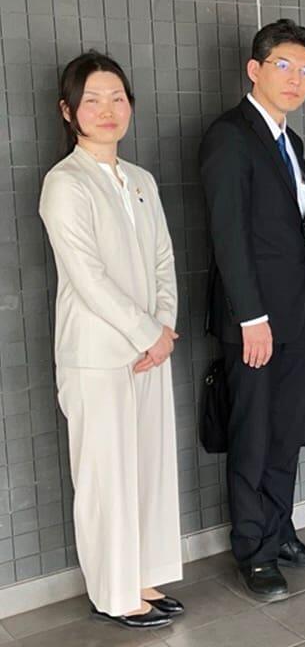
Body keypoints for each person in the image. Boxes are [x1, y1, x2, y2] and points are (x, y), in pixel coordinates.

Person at [39, 51, 184, 629]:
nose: (107, 110)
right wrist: (149, 333)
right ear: (68, 110)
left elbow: (164, 260)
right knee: (106, 479)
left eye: (117, 98)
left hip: (151, 351)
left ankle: (142, 575)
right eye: (93, 100)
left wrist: (163, 328)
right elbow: (88, 276)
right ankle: (114, 594)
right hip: (97, 356)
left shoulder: (141, 180)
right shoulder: (64, 183)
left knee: (147, 469)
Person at [199, 19, 305, 601]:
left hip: (299, 313)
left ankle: (280, 533)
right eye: (284, 66)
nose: (296, 79)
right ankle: (253, 551)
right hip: (254, 320)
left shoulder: (291, 142)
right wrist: (250, 317)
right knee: (253, 434)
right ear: (254, 69)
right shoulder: (230, 136)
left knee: (286, 432)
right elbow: (227, 235)